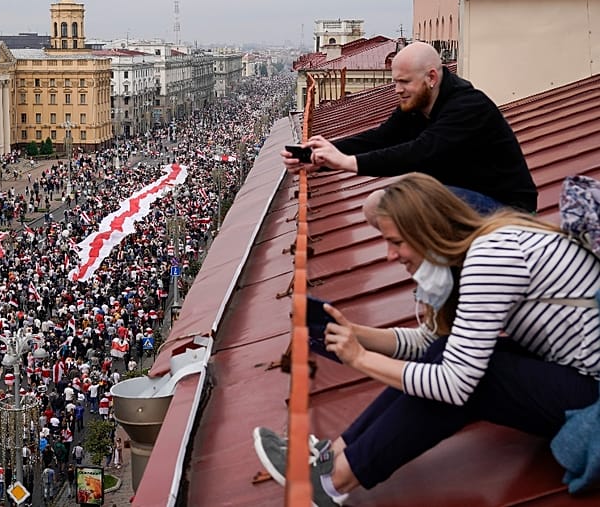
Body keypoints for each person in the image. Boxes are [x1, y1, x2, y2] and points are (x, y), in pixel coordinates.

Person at [254, 173, 600, 505]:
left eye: (396, 242)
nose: (390, 255)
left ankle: (333, 482)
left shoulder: (491, 257)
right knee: (446, 352)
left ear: (428, 232)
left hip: (592, 401)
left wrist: (360, 358)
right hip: (579, 379)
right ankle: (333, 456)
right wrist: (352, 334)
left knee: (475, 379)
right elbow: (428, 344)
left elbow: (456, 385)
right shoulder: (487, 245)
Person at [282, 41, 538, 214]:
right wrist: (319, 157)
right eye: (395, 82)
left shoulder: (467, 106)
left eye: (404, 82)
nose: (397, 90)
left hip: (509, 213)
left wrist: (348, 163)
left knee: (413, 201)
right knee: (378, 205)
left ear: (431, 77)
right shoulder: (419, 104)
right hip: (466, 200)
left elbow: (421, 152)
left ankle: (443, 279)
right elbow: (381, 138)